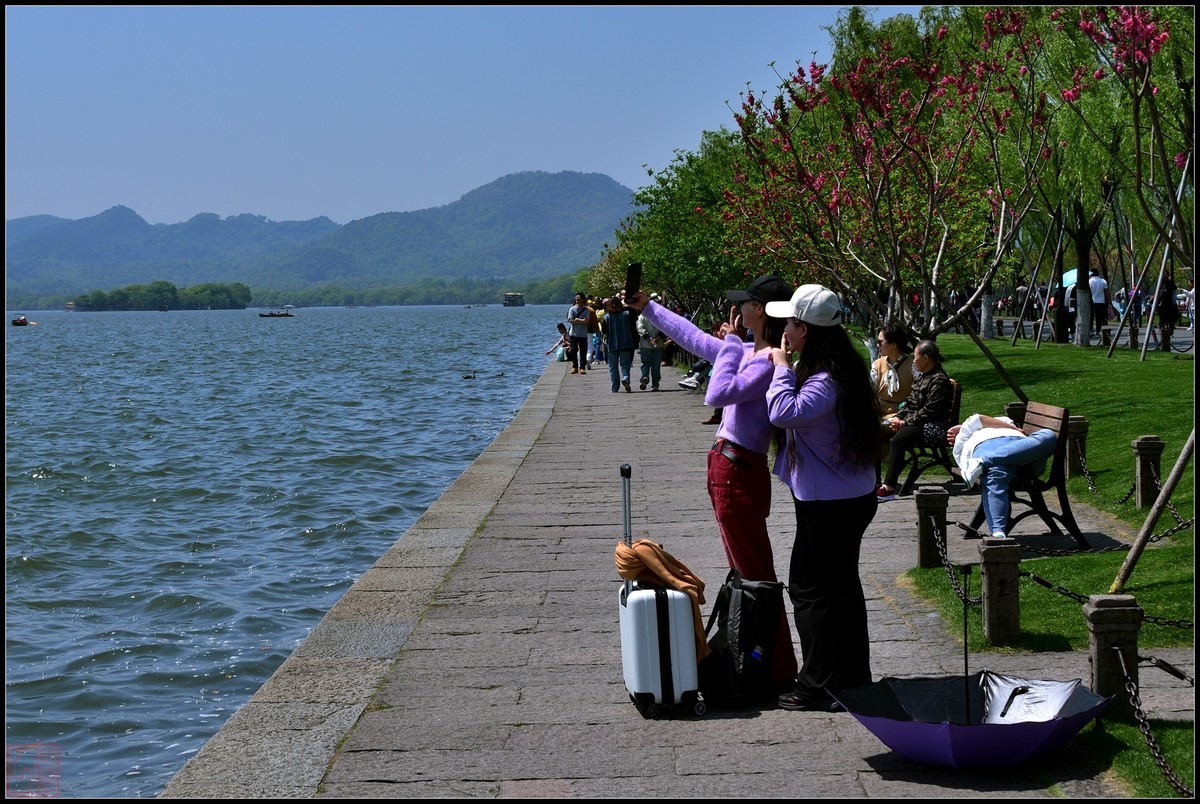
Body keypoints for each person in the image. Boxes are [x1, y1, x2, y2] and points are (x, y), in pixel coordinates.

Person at [627, 274, 799, 692]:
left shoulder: (768, 359)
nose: (737, 308)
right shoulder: (750, 350)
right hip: (730, 467)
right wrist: (647, 308)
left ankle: (777, 668)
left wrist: (727, 348)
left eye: (744, 302)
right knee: (747, 571)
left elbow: (717, 393)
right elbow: (693, 339)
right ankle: (767, 662)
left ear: (759, 310)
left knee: (755, 573)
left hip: (738, 470)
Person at [763, 284, 880, 711]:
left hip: (830, 505)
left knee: (810, 589)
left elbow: (783, 412)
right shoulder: (839, 369)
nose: (784, 331)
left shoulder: (825, 380)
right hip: (847, 497)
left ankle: (817, 683)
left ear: (806, 329)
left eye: (790, 323)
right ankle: (851, 680)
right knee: (842, 585)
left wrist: (778, 366)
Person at [948, 413, 1058, 539]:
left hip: (1023, 449)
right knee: (995, 473)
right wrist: (962, 429)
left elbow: (980, 420)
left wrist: (1013, 429)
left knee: (1048, 435)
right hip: (986, 446)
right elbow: (978, 419)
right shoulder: (964, 438)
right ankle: (998, 533)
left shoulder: (1004, 423)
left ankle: (984, 461)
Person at [875, 339, 954, 500]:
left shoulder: (939, 380)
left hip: (933, 426)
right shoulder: (923, 377)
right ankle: (875, 482)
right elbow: (909, 401)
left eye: (916, 356)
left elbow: (930, 411)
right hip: (917, 422)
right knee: (878, 430)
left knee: (899, 438)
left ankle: (888, 487)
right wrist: (898, 417)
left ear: (925, 358)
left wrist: (905, 422)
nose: (914, 360)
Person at [869, 324, 912, 419]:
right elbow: (870, 393)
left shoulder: (912, 366)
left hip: (903, 414)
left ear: (893, 345)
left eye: (880, 342)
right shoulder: (877, 365)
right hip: (879, 413)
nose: (877, 345)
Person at [601, 296, 638, 392]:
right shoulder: (627, 314)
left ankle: (615, 387)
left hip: (612, 344)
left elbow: (604, 331)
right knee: (625, 364)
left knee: (613, 367)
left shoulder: (606, 317)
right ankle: (625, 377)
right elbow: (633, 329)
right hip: (626, 343)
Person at [636, 294, 665, 391]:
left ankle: (645, 376)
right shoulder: (660, 316)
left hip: (645, 344)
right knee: (656, 365)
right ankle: (655, 384)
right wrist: (656, 339)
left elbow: (640, 329)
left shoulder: (642, 316)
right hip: (658, 343)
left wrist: (649, 339)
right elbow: (663, 329)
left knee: (645, 363)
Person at [566, 293, 590, 375]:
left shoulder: (586, 310)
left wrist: (577, 320)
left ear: (583, 299)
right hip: (573, 333)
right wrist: (581, 320)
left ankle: (582, 367)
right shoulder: (572, 309)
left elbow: (587, 321)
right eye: (576, 298)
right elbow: (570, 321)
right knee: (573, 350)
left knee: (583, 351)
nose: (577, 300)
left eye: (578, 298)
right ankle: (575, 366)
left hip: (583, 334)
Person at [1088, 268, 1110, 335]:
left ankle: (1091, 330)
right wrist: (1109, 300)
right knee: (1099, 316)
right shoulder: (1103, 281)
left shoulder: (1089, 281)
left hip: (1091, 300)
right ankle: (1098, 330)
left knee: (1091, 316)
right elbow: (1106, 292)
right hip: (1101, 301)